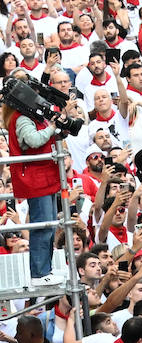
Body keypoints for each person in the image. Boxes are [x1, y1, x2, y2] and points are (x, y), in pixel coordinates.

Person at [1, 72, 67, 284]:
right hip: (35, 179)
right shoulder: (21, 118)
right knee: (42, 226)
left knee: (48, 224)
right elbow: (33, 139)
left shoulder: (29, 116)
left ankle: (45, 270)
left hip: (43, 177)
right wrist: (52, 127)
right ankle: (39, 273)